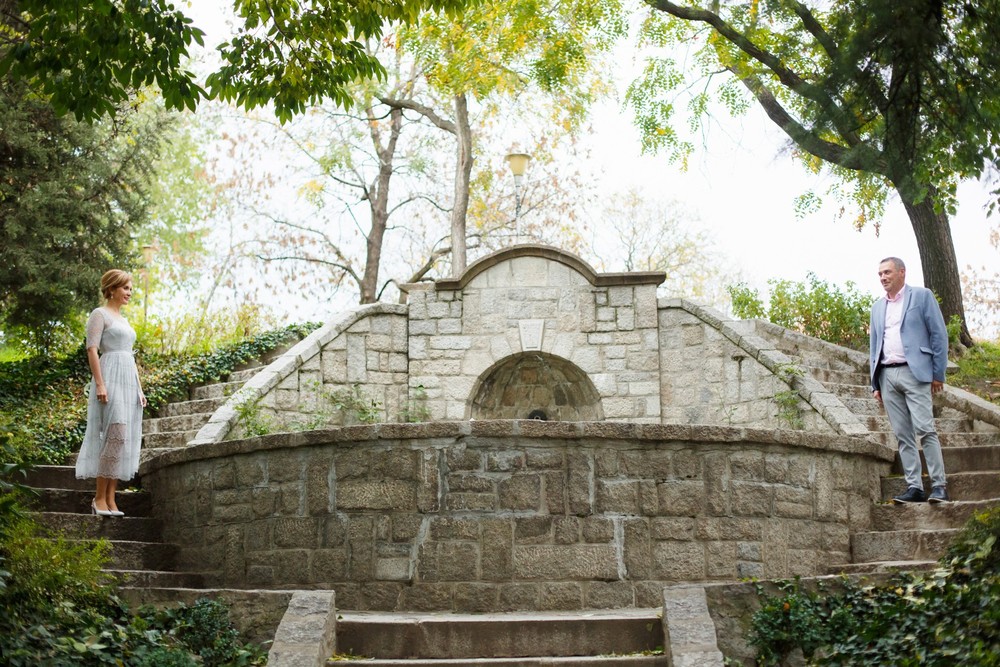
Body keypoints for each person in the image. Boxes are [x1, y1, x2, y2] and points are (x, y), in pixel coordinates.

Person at [869, 257, 949, 504]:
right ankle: (914, 487)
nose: (883, 277)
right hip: (887, 375)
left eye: (888, 272)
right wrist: (875, 383)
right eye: (880, 273)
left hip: (916, 373)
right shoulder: (877, 307)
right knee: (903, 435)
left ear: (902, 272)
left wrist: (938, 374)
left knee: (926, 430)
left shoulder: (921, 296)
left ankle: (939, 486)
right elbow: (874, 345)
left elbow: (938, 335)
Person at [75, 270, 147, 516]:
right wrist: (101, 384)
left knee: (123, 438)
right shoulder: (99, 314)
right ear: (113, 289)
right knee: (114, 433)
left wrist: (139, 388)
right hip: (110, 377)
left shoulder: (124, 320)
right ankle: (98, 499)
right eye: (126, 288)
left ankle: (111, 498)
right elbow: (92, 350)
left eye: (131, 289)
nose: (129, 293)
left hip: (129, 380)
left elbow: (129, 355)